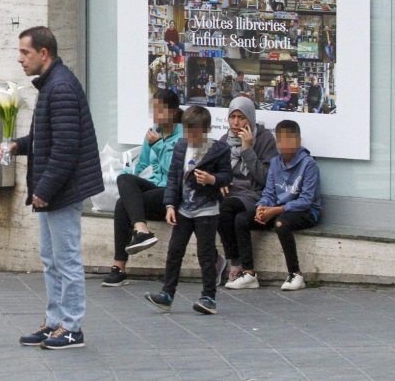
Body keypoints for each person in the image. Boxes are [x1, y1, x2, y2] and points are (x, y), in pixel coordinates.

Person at [1, 27, 103, 351]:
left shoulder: (60, 88)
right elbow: (47, 140)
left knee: (66, 259)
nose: (20, 59)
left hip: (63, 191)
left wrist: (43, 189)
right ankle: (55, 322)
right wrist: (19, 145)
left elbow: (65, 149)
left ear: (43, 53)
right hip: (54, 189)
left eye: (25, 53)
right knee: (51, 259)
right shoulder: (51, 86)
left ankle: (72, 327)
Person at [143, 106, 232, 315]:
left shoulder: (219, 149)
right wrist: (170, 205)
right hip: (184, 209)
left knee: (206, 254)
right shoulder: (182, 147)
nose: (191, 137)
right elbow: (173, 178)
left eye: (196, 133)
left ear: (207, 130)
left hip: (207, 211)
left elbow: (227, 176)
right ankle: (167, 293)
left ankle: (209, 296)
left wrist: (212, 180)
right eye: (187, 131)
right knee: (175, 251)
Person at [226, 120, 321, 291]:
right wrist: (262, 208)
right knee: (241, 219)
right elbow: (269, 193)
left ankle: (295, 274)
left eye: (290, 139)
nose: (285, 144)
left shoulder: (309, 164)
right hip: (277, 209)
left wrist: (276, 210)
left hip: (305, 212)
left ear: (298, 141)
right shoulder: (275, 163)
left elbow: (306, 200)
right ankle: (249, 274)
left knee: (281, 224)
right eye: (281, 140)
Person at [102, 89, 183, 287]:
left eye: (160, 110)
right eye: (153, 110)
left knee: (123, 205)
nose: (156, 115)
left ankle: (120, 266)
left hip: (173, 192)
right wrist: (132, 186)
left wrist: (157, 146)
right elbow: (141, 166)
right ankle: (139, 233)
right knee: (125, 181)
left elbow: (176, 170)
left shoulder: (184, 134)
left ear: (173, 112)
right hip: (154, 188)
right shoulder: (153, 133)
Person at [215, 96, 278, 285]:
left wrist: (247, 149)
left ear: (250, 118)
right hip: (232, 194)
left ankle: (236, 263)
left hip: (255, 194)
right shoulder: (224, 140)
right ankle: (231, 261)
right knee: (216, 207)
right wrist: (221, 180)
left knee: (226, 207)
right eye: (232, 117)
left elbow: (266, 179)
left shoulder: (264, 138)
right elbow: (217, 171)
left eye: (241, 117)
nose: (236, 122)